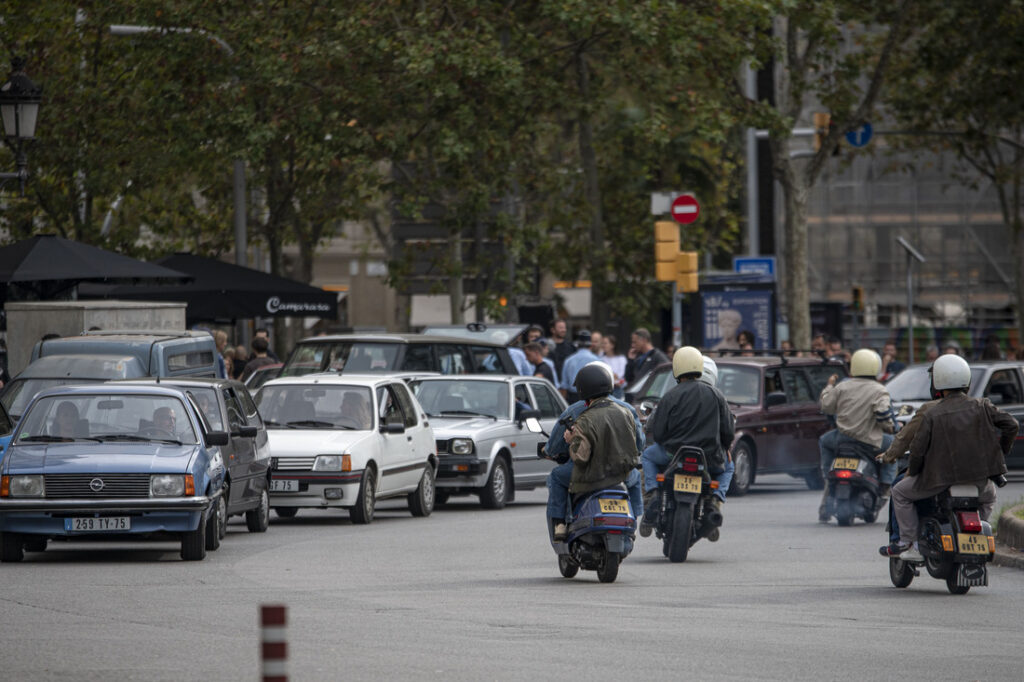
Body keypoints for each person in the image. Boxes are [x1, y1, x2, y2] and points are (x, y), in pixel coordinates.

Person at [880, 354, 1016, 561]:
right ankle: (977, 529)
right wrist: (1000, 452)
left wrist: (913, 471)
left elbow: (916, 447)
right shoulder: (982, 405)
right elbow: (1012, 425)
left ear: (937, 383)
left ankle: (909, 543)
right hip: (979, 481)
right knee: (990, 497)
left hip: (938, 481)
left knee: (899, 492)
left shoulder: (932, 412)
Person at [640, 347, 735, 539]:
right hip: (710, 457)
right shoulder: (717, 396)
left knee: (647, 456)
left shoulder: (670, 396)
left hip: (673, 455)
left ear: (677, 368)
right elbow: (728, 431)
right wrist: (725, 448)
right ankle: (717, 500)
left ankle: (652, 495)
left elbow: (658, 433)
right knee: (729, 466)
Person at [544, 362, 643, 541]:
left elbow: (556, 447)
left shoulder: (575, 411)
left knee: (557, 476)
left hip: (587, 474)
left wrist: (556, 446)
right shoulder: (626, 410)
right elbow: (640, 443)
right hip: (621, 473)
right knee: (635, 477)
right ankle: (634, 518)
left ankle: (560, 523)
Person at [817, 348, 897, 523]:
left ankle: (826, 473)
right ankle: (885, 487)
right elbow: (884, 415)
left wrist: (829, 386)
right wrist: (890, 428)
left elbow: (826, 406)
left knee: (824, 441)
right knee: (893, 446)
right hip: (869, 442)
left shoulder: (842, 386)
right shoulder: (879, 390)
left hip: (841, 440)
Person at [559, 330, 601, 402]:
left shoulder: (569, 360)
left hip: (573, 398)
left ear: (577, 345)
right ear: (590, 345)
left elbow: (564, 386)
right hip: (592, 399)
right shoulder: (597, 360)